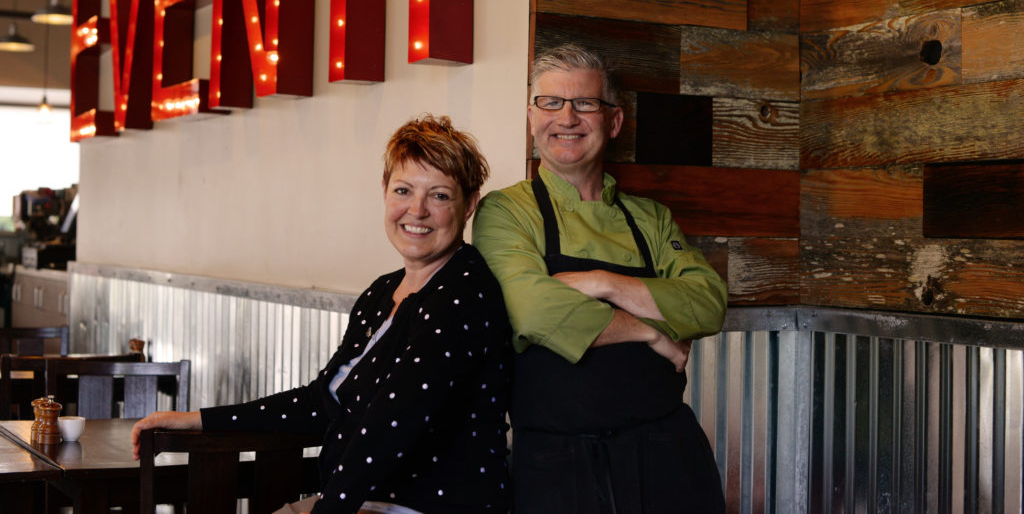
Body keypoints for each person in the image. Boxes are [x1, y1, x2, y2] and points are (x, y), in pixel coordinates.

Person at [132, 115, 512, 514]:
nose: (416, 210)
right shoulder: (382, 292)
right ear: (384, 192)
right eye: (403, 190)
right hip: (364, 501)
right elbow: (320, 404)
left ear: (469, 204)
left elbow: (391, 429)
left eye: (439, 196)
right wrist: (199, 420)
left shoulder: (465, 293)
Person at [472, 44, 728, 513]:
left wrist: (601, 282)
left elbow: (708, 302)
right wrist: (649, 330)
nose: (567, 118)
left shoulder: (650, 218)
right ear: (532, 117)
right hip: (556, 464)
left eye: (585, 103)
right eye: (551, 103)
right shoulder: (506, 212)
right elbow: (532, 309)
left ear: (613, 122)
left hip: (668, 457)